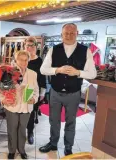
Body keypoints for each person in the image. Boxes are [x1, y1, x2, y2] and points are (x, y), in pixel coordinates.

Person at [39, 23, 97, 156]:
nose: (69, 35)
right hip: (55, 92)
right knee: (54, 120)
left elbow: (92, 73)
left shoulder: (85, 50)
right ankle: (53, 143)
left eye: (72, 33)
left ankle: (68, 146)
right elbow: (43, 69)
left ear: (77, 33)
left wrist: (78, 73)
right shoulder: (53, 49)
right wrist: (57, 70)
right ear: (61, 34)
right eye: (66, 33)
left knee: (71, 121)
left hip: (73, 93)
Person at [2, 50, 39, 159]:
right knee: (12, 128)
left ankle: (22, 150)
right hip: (12, 106)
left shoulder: (33, 74)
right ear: (16, 60)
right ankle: (12, 150)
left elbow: (36, 89)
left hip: (26, 106)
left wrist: (34, 99)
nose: (23, 62)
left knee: (22, 129)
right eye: (21, 60)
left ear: (28, 60)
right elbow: (1, 90)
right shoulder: (9, 72)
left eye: (26, 60)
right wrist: (3, 99)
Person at [24, 37, 46, 145]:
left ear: (36, 47)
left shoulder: (39, 61)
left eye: (31, 46)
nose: (29, 48)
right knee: (21, 112)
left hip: (33, 91)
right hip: (21, 90)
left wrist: (42, 93)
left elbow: (42, 78)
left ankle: (30, 133)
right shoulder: (22, 58)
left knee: (31, 114)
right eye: (27, 45)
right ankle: (20, 133)